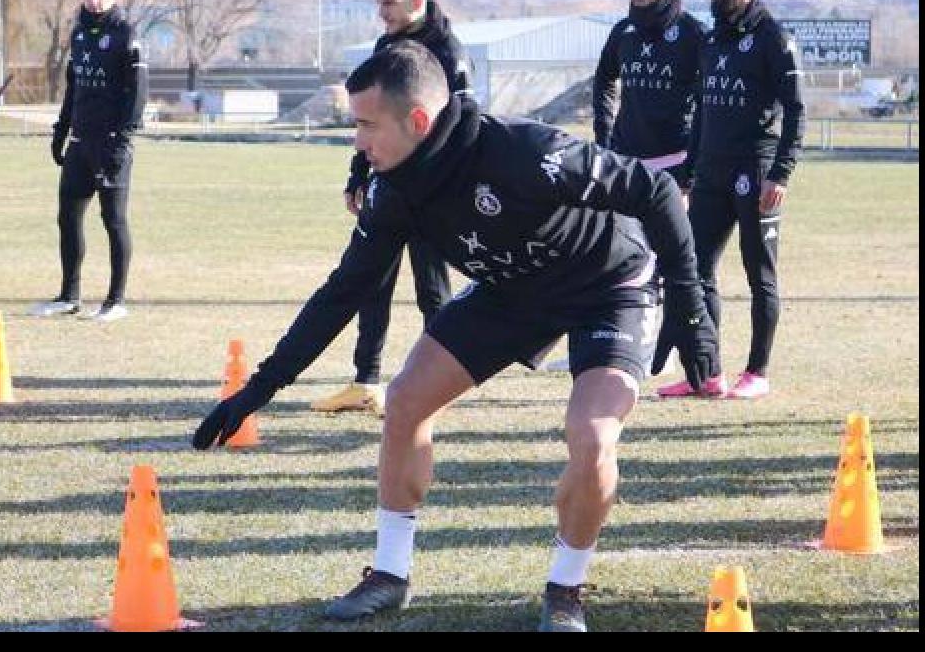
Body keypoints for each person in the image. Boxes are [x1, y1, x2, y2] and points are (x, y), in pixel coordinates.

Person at [193, 43, 719, 632]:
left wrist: (691, 307)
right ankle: (389, 576)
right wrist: (257, 391)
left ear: (417, 121)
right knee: (406, 401)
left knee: (592, 439)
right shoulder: (393, 192)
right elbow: (341, 293)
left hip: (609, 287)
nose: (356, 140)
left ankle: (566, 593)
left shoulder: (526, 152)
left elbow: (657, 191)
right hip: (511, 293)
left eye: (366, 124)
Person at [314, 0, 471, 415]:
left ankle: (443, 383)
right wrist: (359, 175)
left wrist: (445, 185)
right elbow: (373, 119)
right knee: (372, 282)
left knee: (432, 290)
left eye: (388, 3)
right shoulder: (387, 44)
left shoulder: (447, 50)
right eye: (378, 2)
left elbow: (460, 124)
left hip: (432, 189)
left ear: (415, 0)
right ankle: (365, 380)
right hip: (386, 184)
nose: (381, 11)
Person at [544, 0, 706, 376]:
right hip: (626, 163)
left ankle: (661, 344)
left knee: (664, 254)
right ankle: (597, 340)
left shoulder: (692, 34)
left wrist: (691, 170)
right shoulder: (624, 32)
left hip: (673, 162)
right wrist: (604, 136)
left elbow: (708, 104)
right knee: (611, 250)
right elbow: (604, 81)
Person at [659, 0, 805, 401]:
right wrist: (687, 173)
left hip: (755, 172)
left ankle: (757, 373)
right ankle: (708, 372)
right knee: (694, 270)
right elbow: (702, 110)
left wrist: (779, 174)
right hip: (710, 174)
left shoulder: (773, 37)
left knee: (758, 274)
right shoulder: (712, 39)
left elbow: (797, 110)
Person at [31, 0, 147, 322]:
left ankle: (116, 301)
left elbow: (138, 92)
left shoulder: (126, 34)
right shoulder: (79, 34)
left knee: (113, 220)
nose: (93, 1)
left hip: (111, 144)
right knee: (68, 218)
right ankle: (69, 295)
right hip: (79, 143)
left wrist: (123, 136)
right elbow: (73, 88)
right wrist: (60, 130)